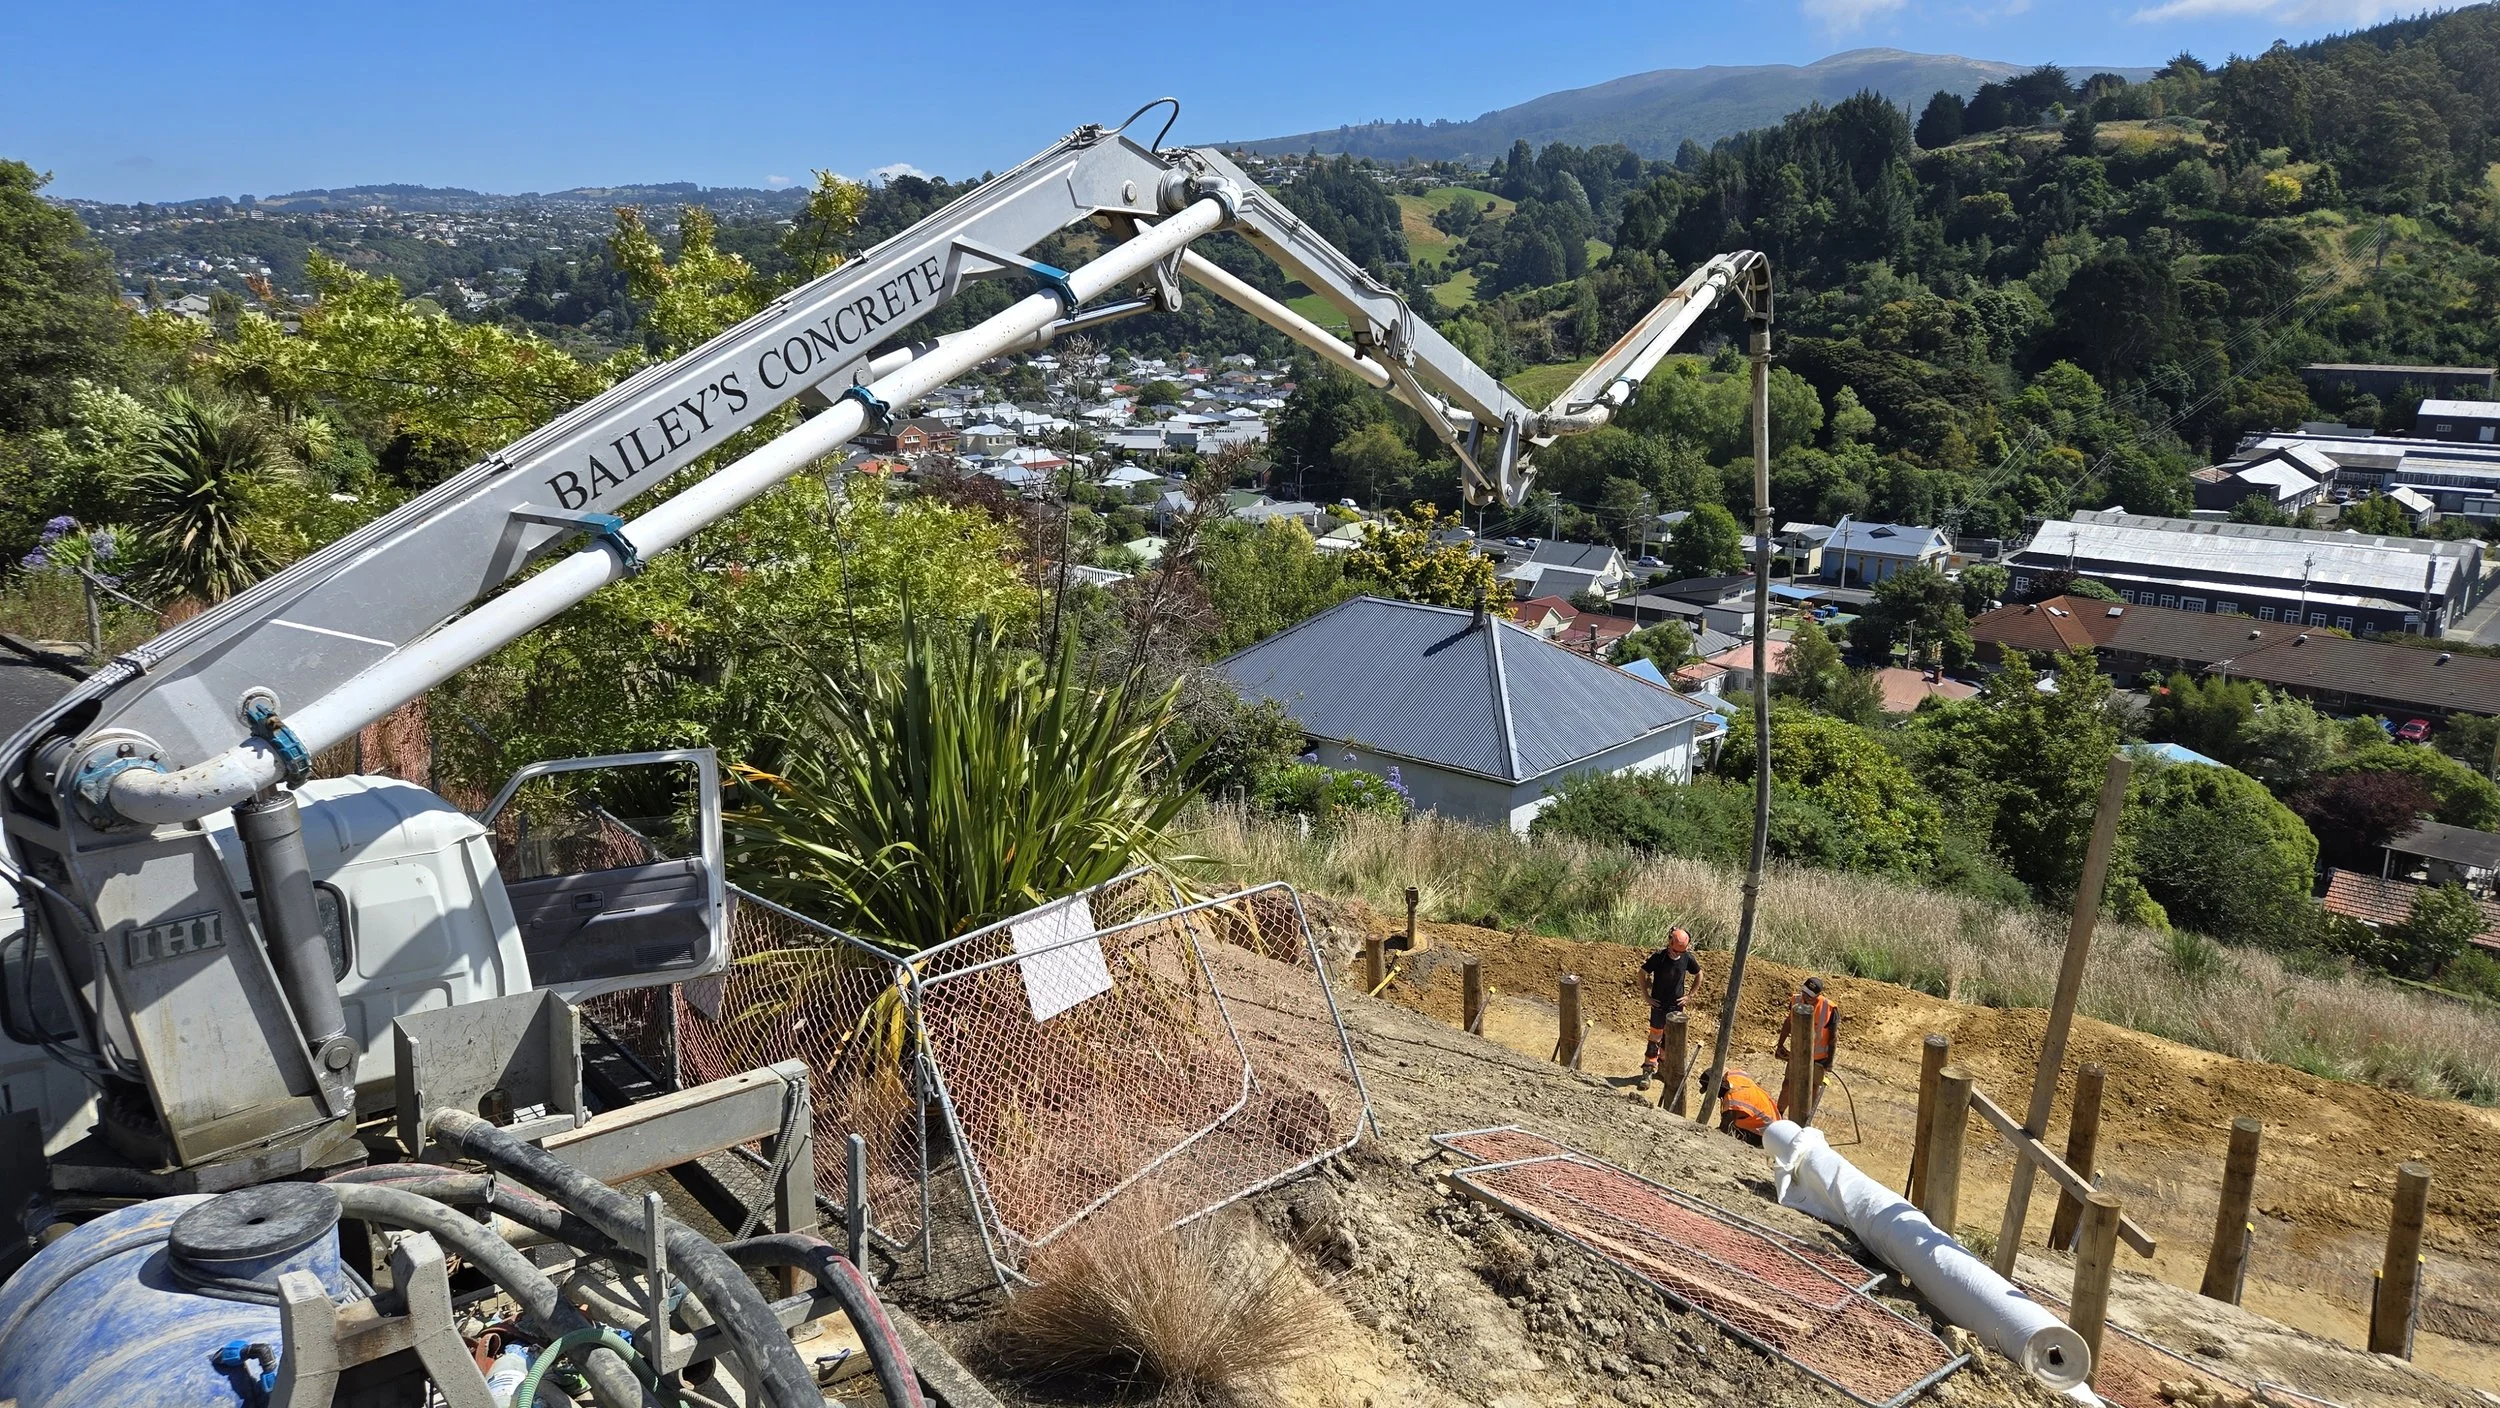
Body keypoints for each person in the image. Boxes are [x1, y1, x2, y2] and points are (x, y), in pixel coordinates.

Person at [1639, 926, 1701, 1083]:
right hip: (1659, 1006)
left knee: (1670, 1039)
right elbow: (1642, 973)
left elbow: (1699, 974)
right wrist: (1646, 996)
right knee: (1655, 1038)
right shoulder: (1659, 957)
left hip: (1676, 1008)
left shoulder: (1687, 958)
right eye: (1675, 950)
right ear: (1669, 943)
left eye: (1680, 952)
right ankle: (1648, 1071)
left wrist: (1689, 996)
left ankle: (1663, 1069)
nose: (1677, 954)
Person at [1711, 1066, 1779, 1146]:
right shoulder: (1739, 1081)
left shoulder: (1734, 1098)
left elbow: (1725, 1128)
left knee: (1728, 1134)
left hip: (1765, 1137)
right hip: (1772, 1128)